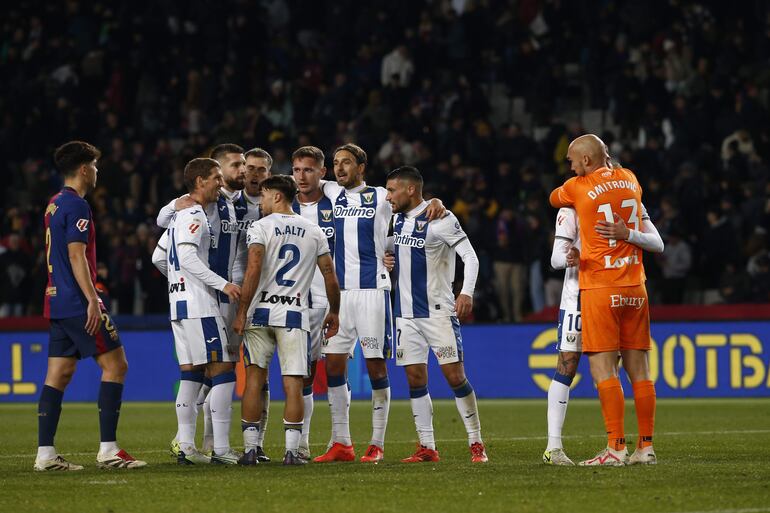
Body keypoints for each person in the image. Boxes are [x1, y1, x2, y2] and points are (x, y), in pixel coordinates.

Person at [314, 143, 444, 463]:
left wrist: (436, 202)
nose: (339, 168)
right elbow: (299, 176)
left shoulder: (379, 196)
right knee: (332, 365)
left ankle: (376, 443)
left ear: (362, 167)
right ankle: (342, 442)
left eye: (346, 163)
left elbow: (413, 205)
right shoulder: (330, 191)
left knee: (375, 365)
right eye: (335, 163)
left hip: (373, 291)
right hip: (340, 296)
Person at [36, 140, 146, 471]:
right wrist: (92, 299)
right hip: (75, 301)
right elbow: (75, 254)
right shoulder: (78, 206)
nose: (97, 171)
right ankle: (109, 450)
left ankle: (45, 455)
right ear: (84, 169)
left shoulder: (54, 204)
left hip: (55, 300)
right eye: (95, 166)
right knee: (116, 365)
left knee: (59, 373)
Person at [549, 134, 659, 466]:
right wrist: (628, 234)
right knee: (640, 371)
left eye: (572, 160)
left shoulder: (578, 186)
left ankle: (615, 447)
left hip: (599, 287)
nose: (569, 166)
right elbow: (656, 241)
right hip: (635, 288)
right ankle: (646, 447)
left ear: (585, 161)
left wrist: (580, 181)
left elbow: (555, 197)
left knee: (602, 369)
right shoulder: (632, 180)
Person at [232, 175, 340, 465]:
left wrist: (242, 311)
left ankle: (251, 449)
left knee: (254, 379)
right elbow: (329, 275)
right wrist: (335, 311)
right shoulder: (313, 230)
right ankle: (292, 452)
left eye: (264, 196)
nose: (262, 201)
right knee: (293, 383)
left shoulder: (261, 226)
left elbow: (253, 268)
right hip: (294, 313)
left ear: (277, 196)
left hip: (261, 312)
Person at [157, 144, 255, 459]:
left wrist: (178, 284)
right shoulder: (195, 212)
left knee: (192, 374)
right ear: (201, 181)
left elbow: (160, 256)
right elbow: (185, 256)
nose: (220, 183)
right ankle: (222, 448)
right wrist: (221, 283)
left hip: (180, 304)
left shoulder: (182, 213)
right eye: (215, 177)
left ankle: (186, 446)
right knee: (225, 369)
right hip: (202, 304)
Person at [385, 166, 488, 463]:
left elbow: (470, 256)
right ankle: (427, 446)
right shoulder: (397, 220)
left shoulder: (440, 218)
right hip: (404, 314)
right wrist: (386, 256)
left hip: (438, 312)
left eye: (392, 190)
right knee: (415, 379)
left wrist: (466, 292)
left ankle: (476, 442)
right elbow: (394, 249)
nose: (388, 196)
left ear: (410, 190)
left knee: (455, 377)